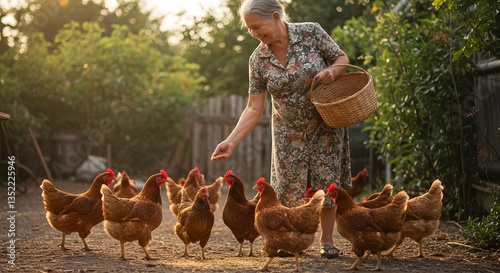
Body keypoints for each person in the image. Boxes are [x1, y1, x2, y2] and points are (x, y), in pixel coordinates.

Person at [210, 0, 351, 259]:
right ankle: (291, 240)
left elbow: (342, 58)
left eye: (257, 26)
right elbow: (254, 107)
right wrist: (231, 141)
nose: (254, 34)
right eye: (249, 29)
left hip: (325, 126)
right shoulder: (258, 59)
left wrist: (332, 71)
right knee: (287, 187)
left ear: (276, 17)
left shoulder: (311, 32)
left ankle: (328, 241)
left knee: (327, 183)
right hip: (288, 132)